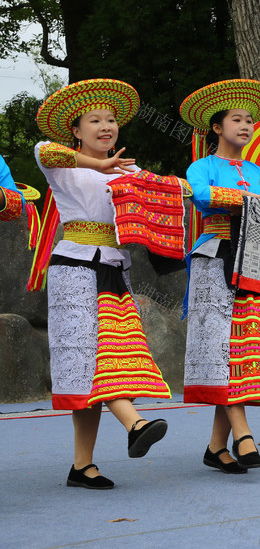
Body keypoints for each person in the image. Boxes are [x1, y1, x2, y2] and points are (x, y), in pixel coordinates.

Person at [34, 78, 171, 489]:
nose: (105, 126)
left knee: (112, 355)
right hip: (75, 269)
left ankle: (82, 466)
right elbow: (42, 149)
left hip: (114, 269)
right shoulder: (62, 164)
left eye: (110, 119)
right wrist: (99, 166)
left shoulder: (131, 172)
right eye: (94, 120)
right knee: (87, 359)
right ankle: (134, 424)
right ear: (76, 131)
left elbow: (170, 191)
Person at [180, 79, 260, 473]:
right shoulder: (203, 166)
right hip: (215, 256)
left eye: (249, 119)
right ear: (217, 127)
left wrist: (252, 205)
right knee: (221, 346)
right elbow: (201, 196)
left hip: (255, 260)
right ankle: (243, 433)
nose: (246, 125)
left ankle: (217, 446)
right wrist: (251, 202)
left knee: (242, 350)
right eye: (237, 119)